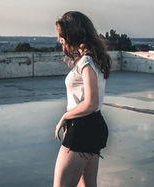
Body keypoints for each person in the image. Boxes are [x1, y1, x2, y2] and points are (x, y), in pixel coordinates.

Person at [53, 11, 111, 187]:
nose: (59, 39)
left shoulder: (86, 62)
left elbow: (91, 103)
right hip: (93, 126)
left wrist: (65, 116)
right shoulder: (93, 60)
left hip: (82, 128)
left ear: (73, 34)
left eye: (62, 35)